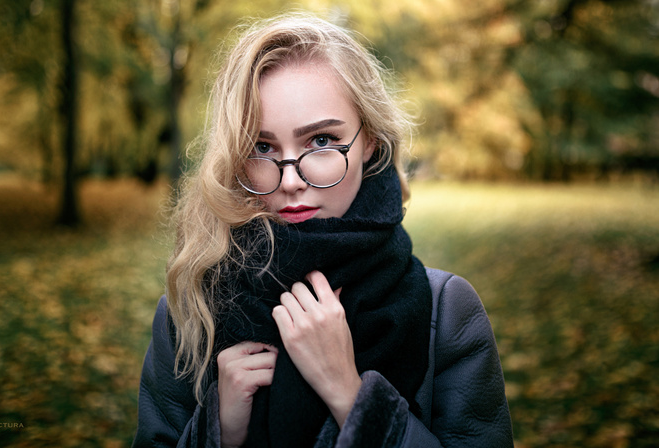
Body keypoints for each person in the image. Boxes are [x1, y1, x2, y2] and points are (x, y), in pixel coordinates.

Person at [133, 12, 513, 448]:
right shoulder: (190, 312)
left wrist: (352, 398)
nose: (291, 180)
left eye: (321, 142)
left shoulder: (445, 313)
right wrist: (217, 430)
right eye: (262, 147)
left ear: (369, 140)